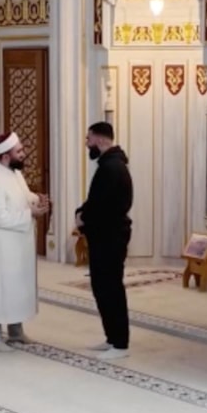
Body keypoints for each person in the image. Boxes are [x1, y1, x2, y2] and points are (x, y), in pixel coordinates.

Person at [0, 131, 50, 352]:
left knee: (16, 288)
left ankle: (16, 333)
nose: (23, 153)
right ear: (6, 156)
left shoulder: (15, 173)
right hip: (2, 248)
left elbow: (23, 196)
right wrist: (31, 214)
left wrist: (37, 199)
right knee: (1, 289)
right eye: (19, 151)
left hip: (18, 244)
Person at [75, 121, 134, 360]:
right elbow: (96, 201)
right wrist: (82, 212)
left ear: (100, 140)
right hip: (105, 236)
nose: (87, 143)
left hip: (110, 238)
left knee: (111, 289)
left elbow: (102, 207)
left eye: (88, 139)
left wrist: (82, 218)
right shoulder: (109, 165)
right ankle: (111, 338)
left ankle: (120, 344)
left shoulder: (112, 168)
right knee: (102, 288)